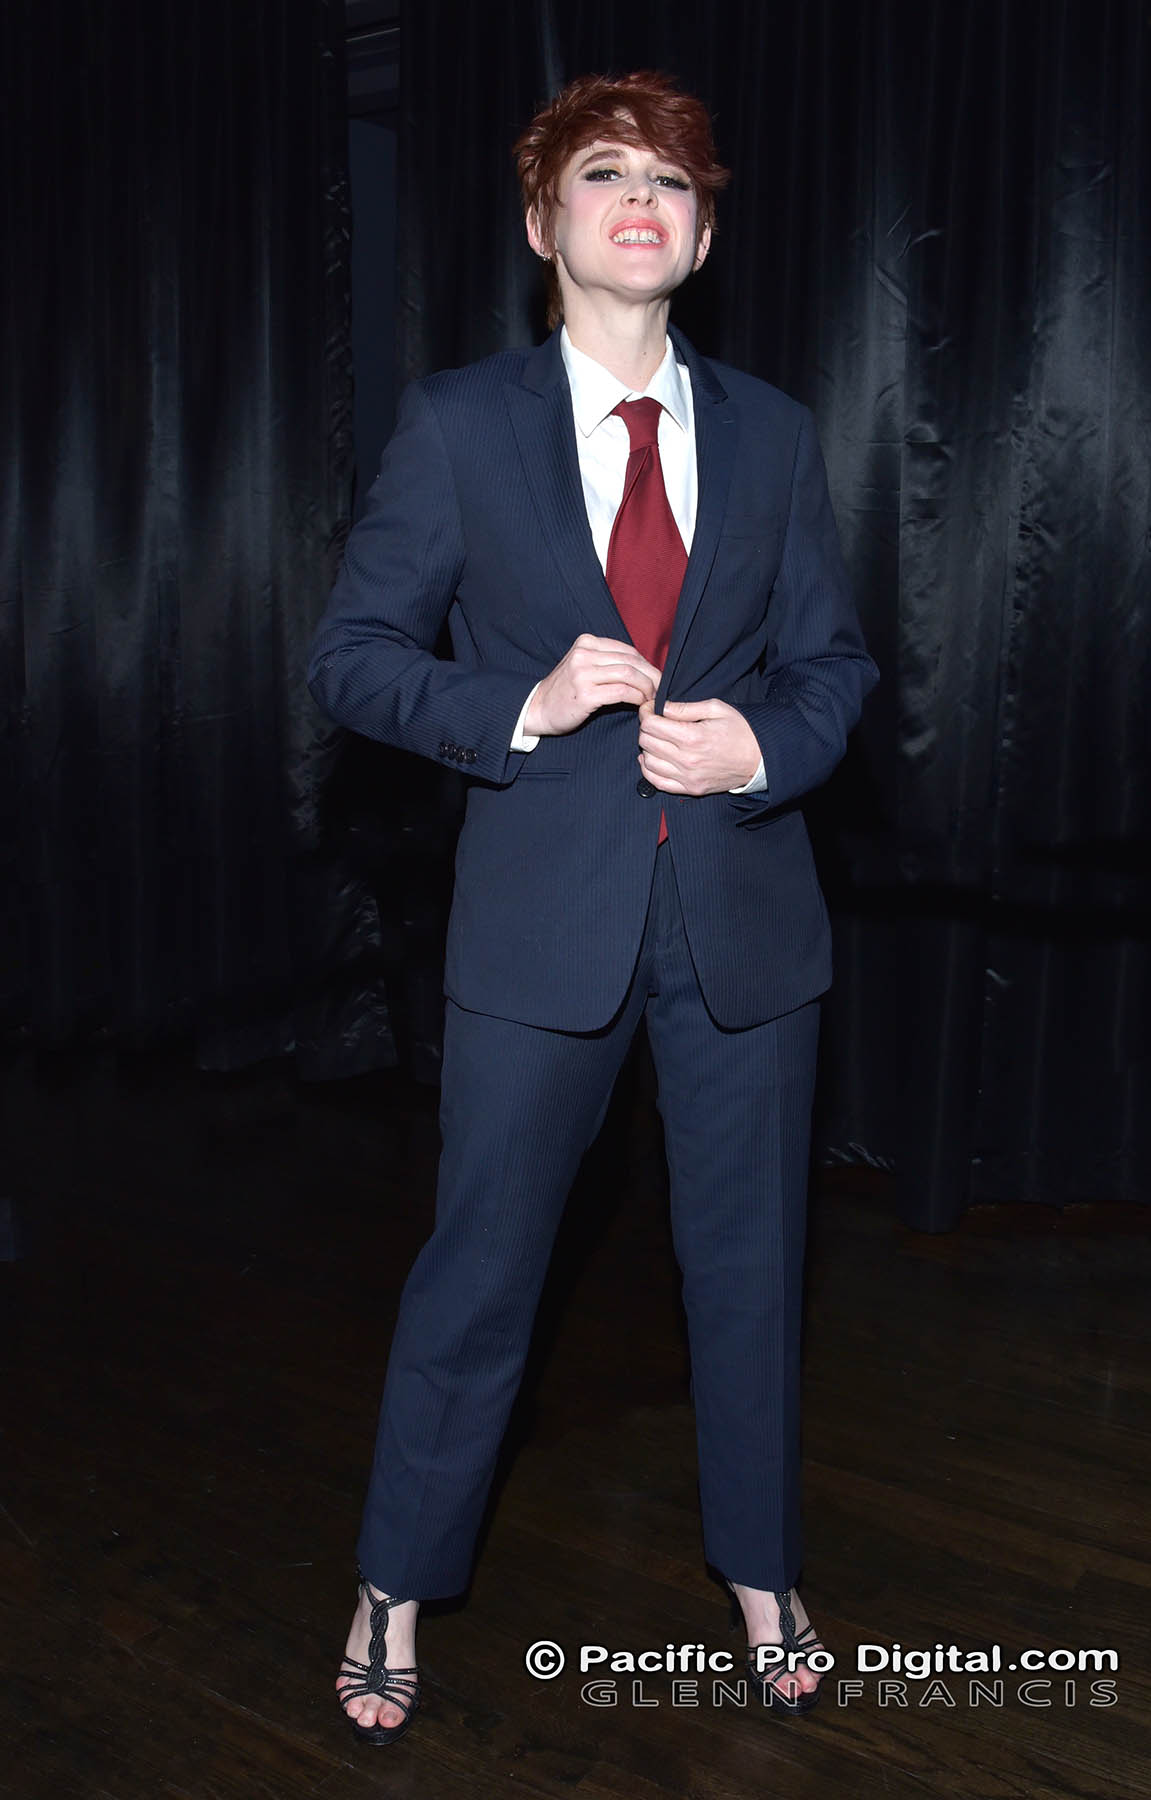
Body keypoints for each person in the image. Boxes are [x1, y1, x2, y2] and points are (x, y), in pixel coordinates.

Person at [307, 69, 879, 1744]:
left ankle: (762, 1570)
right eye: (606, 173)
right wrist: (522, 704)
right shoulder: (457, 425)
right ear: (543, 222)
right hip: (537, 928)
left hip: (746, 925)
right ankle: (394, 1581)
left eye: (674, 183)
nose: (643, 199)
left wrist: (765, 743)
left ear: (701, 239)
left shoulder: (773, 432)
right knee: (481, 1271)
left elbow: (836, 665)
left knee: (751, 1273)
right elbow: (351, 660)